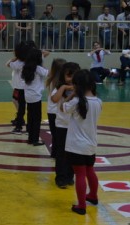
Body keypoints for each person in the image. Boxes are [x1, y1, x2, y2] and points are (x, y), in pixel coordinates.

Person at [62, 69, 102, 215]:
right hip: (91, 144)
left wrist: (72, 94)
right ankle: (93, 196)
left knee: (79, 174)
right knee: (90, 170)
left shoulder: (76, 101)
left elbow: (62, 107)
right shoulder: (98, 101)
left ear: (76, 85)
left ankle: (81, 205)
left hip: (76, 145)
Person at [51, 62, 80, 189]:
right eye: (69, 76)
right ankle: (60, 177)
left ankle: (69, 176)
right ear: (63, 76)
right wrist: (63, 88)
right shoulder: (58, 88)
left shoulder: (80, 89)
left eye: (74, 76)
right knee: (61, 153)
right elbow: (54, 99)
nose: (71, 79)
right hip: (62, 125)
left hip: (75, 126)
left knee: (72, 153)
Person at [22, 48, 48, 146]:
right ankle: (35, 139)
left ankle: (30, 138)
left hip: (28, 96)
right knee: (37, 119)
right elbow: (48, 73)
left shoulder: (26, 67)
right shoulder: (38, 68)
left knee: (30, 117)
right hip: (36, 96)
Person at [45, 58, 67, 158]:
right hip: (57, 112)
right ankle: (58, 154)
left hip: (51, 111)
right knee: (60, 135)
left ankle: (54, 153)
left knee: (55, 135)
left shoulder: (51, 80)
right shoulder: (61, 84)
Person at [6, 42, 30, 132]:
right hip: (23, 87)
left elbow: (7, 64)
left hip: (20, 88)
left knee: (21, 107)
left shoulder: (18, 63)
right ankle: (23, 122)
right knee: (20, 104)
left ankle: (19, 125)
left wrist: (15, 58)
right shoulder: (27, 62)